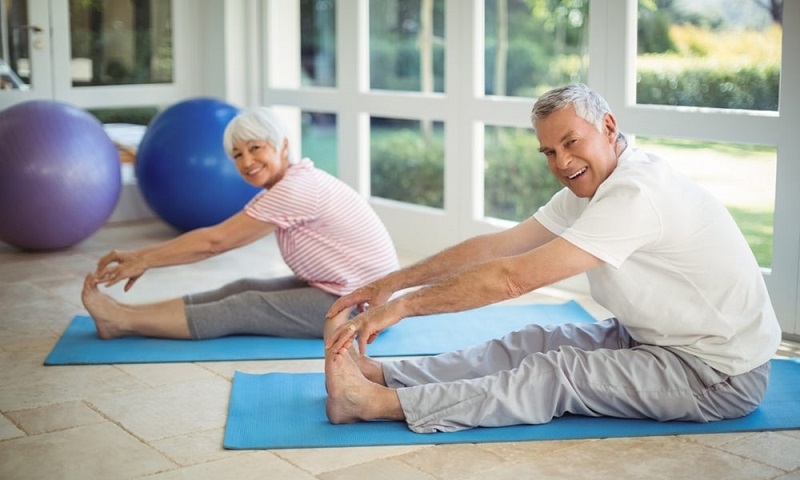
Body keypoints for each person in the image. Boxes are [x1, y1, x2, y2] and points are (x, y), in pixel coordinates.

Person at [323, 83, 782, 433]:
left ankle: (375, 404)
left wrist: (403, 306)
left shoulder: (637, 194)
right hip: (655, 339)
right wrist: (395, 281)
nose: (561, 162)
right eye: (549, 151)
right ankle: (387, 375)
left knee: (556, 374)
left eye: (570, 143)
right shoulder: (590, 186)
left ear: (607, 126)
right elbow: (497, 248)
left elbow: (511, 279)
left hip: (717, 371)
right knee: (534, 342)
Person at [81, 107, 399, 340]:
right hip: (349, 292)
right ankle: (126, 315)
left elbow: (215, 242)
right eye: (237, 154)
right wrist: (142, 259)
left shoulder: (294, 189)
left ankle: (121, 320)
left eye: (255, 148)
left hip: (363, 308)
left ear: (283, 146)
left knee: (244, 306)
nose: (247, 162)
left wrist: (142, 259)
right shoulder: (297, 180)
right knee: (241, 287)